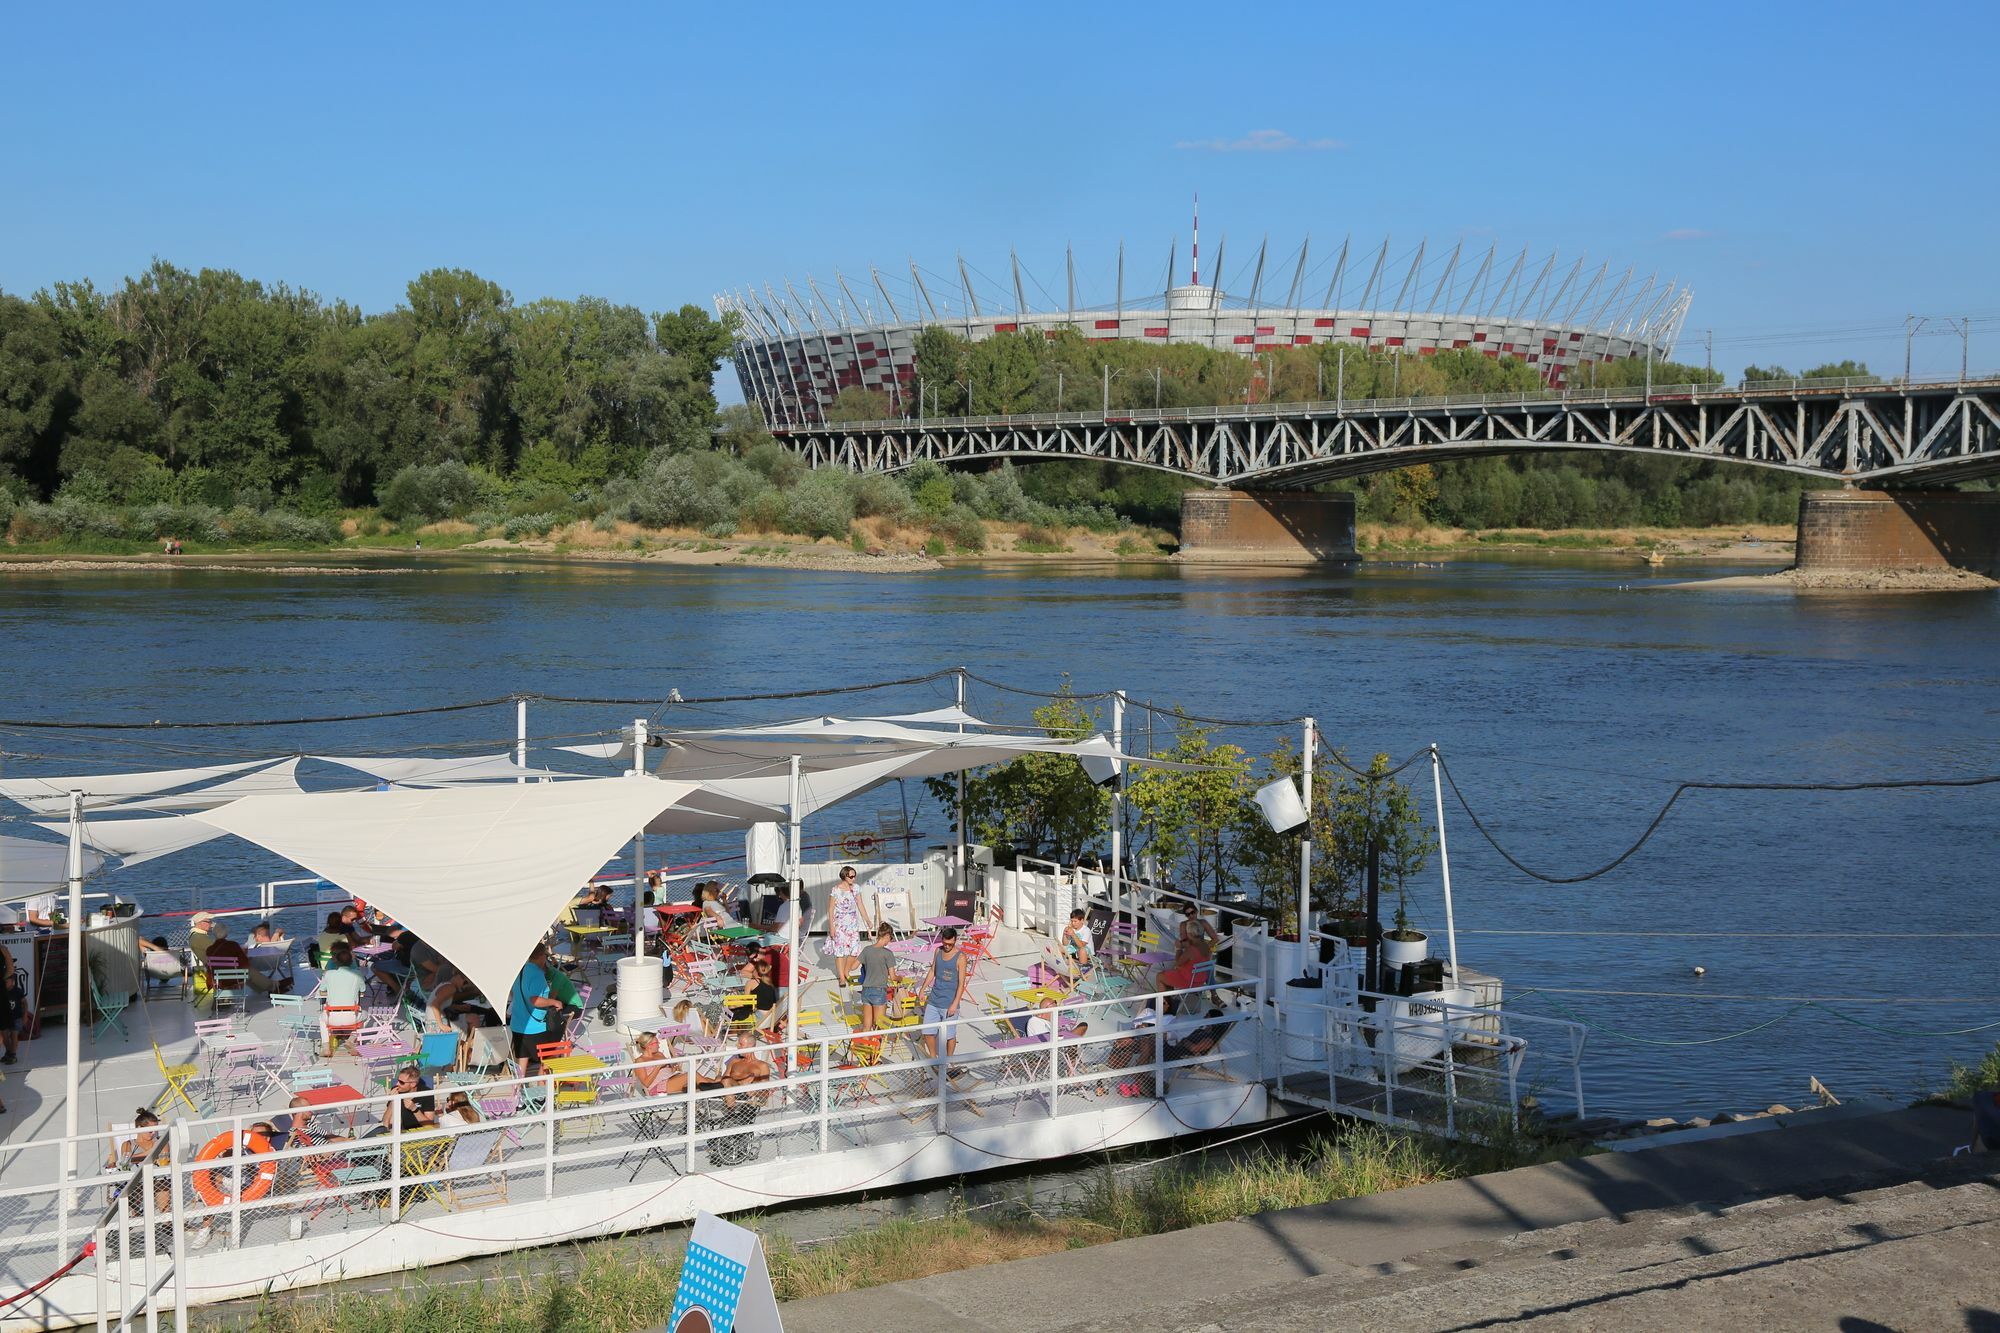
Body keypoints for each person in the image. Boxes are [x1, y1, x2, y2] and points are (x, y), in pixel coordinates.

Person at [507, 943, 565, 1076]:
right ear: (541, 956)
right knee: (550, 1056)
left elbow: (512, 994)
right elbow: (535, 1000)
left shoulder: (520, 971)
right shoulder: (537, 974)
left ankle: (517, 1089)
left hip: (518, 1024)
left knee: (522, 1058)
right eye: (546, 955)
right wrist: (554, 1001)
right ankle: (541, 1085)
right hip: (535, 1027)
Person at [105, 1108, 175, 1216]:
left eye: (155, 1130)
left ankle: (166, 1220)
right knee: (133, 1186)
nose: (153, 1133)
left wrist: (138, 1156)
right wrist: (151, 1152)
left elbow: (164, 1156)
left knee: (162, 1183)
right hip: (136, 1180)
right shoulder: (128, 1144)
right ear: (139, 1128)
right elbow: (126, 1162)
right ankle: (136, 1215)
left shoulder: (161, 1140)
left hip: (157, 1177)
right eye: (150, 1131)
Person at [918, 927, 969, 1071]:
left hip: (949, 1003)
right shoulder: (938, 951)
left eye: (950, 944)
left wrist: (954, 1004)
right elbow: (933, 970)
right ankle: (935, 1060)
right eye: (945, 943)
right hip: (934, 1000)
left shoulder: (960, 957)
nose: (947, 946)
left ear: (955, 941)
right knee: (927, 1032)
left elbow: (961, 983)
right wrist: (922, 988)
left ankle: (948, 1060)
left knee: (949, 1036)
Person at [203, 921, 286, 994]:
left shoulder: (209, 949)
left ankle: (268, 988)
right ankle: (274, 986)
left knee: (247, 973)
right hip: (231, 978)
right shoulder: (232, 945)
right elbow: (244, 962)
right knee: (248, 971)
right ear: (226, 933)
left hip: (217, 979)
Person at [826, 865, 874, 987]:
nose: (853, 878)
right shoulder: (835, 890)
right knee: (840, 952)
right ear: (844, 876)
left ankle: (846, 971)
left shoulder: (856, 888)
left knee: (855, 950)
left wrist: (867, 920)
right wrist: (831, 927)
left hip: (852, 923)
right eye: (851, 876)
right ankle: (842, 977)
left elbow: (860, 904)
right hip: (839, 924)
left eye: (854, 876)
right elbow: (830, 909)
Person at [318, 941, 368, 1054]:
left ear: (335, 960)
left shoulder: (329, 974)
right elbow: (363, 990)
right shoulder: (357, 974)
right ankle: (351, 1039)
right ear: (351, 960)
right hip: (352, 1017)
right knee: (366, 1015)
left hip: (331, 1017)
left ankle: (326, 1047)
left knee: (321, 1019)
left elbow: (322, 991)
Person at [856, 923, 896, 1034]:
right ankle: (876, 1051)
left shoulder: (867, 950)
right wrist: (899, 978)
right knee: (879, 1027)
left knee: (866, 1027)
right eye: (890, 938)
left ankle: (867, 1050)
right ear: (887, 935)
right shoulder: (887, 954)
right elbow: (893, 977)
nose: (890, 941)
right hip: (879, 990)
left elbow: (853, 966)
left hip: (866, 990)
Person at [374, 1066, 438, 1135]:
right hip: (401, 1133)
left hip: (422, 1133)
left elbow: (429, 1126)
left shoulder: (426, 1093)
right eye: (397, 1080)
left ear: (413, 1084)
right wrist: (393, 1101)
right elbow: (386, 1123)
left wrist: (414, 1109)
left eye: (401, 1082)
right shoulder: (396, 1090)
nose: (397, 1084)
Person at [723, 960, 778, 1031]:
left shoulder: (751, 982)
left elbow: (746, 1001)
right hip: (771, 1016)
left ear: (756, 971)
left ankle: (731, 1028)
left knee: (732, 1004)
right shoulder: (770, 983)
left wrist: (735, 1000)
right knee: (735, 1003)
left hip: (759, 1016)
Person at [0, 950, 23, 1068]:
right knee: (3, 1032)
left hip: (7, 1005)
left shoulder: (2, 949)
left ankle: (12, 1054)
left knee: (11, 1031)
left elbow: (10, 970)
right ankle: (9, 1052)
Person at [1060, 908, 1096, 982]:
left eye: (1075, 921)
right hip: (1074, 949)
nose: (1073, 923)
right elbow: (1065, 943)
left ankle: (1083, 971)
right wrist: (1065, 934)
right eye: (1072, 921)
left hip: (1086, 952)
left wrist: (1073, 934)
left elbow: (1082, 945)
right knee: (1059, 948)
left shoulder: (1086, 930)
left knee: (1082, 950)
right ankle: (1061, 967)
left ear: (1082, 921)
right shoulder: (1072, 929)